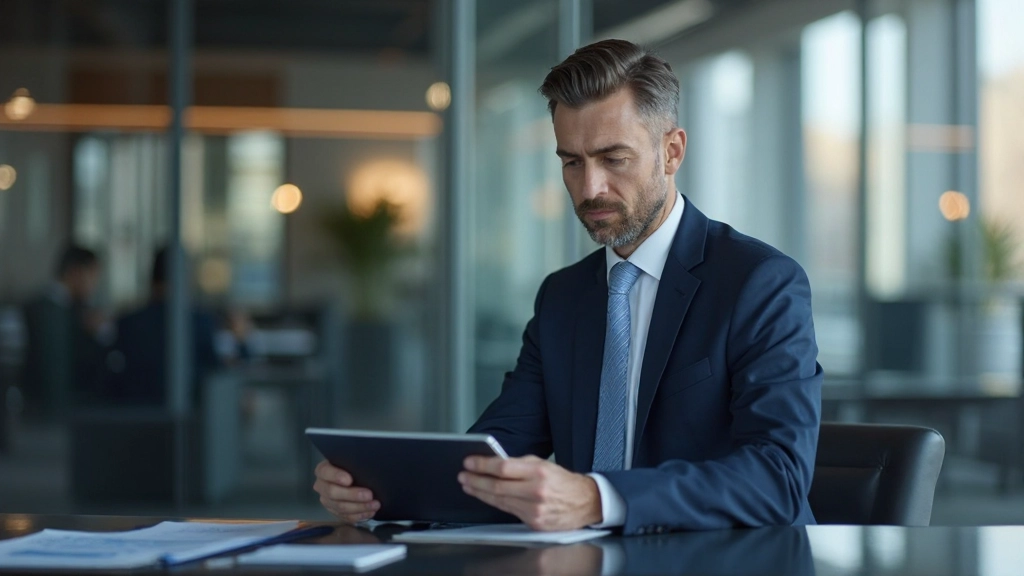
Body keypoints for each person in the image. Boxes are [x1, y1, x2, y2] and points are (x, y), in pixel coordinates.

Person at [314, 39, 822, 534]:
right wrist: (381, 488)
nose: (589, 188)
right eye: (571, 162)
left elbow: (778, 476)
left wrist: (597, 498)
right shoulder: (563, 296)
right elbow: (503, 445)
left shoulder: (759, 283)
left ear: (671, 151)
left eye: (613, 158)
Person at [108, 247, 247, 405]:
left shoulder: (128, 322)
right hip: (190, 419)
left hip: (132, 418)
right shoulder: (200, 321)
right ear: (184, 279)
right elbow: (217, 370)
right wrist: (242, 342)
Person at [22, 245, 107, 417]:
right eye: (92, 275)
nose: (95, 284)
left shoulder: (72, 310)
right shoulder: (52, 312)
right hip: (53, 417)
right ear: (75, 272)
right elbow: (55, 373)